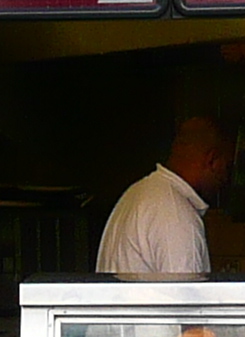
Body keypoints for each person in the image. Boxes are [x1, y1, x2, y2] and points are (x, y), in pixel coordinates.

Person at [97, 117, 231, 280]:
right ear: (213, 160)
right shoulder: (176, 215)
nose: (225, 178)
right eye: (226, 166)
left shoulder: (136, 194)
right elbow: (185, 300)